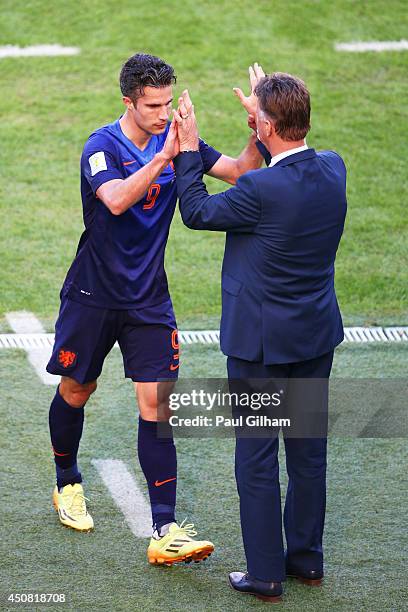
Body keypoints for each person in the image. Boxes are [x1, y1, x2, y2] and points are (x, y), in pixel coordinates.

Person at [46, 53, 264, 566]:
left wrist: (258, 125)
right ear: (129, 102)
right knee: (78, 390)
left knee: (157, 405)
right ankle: (67, 482)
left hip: (149, 300)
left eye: (169, 102)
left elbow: (239, 171)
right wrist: (166, 157)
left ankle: (165, 528)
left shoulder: (175, 136)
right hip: (92, 296)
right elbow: (117, 200)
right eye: (153, 105)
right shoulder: (101, 146)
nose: (165, 113)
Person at [173, 74, 347, 600]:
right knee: (308, 455)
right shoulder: (334, 168)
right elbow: (281, 159)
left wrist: (187, 149)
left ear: (268, 125)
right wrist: (260, 122)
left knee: (256, 460)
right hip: (314, 339)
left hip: (261, 349)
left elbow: (196, 211)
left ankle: (266, 573)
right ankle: (306, 562)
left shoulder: (259, 190)